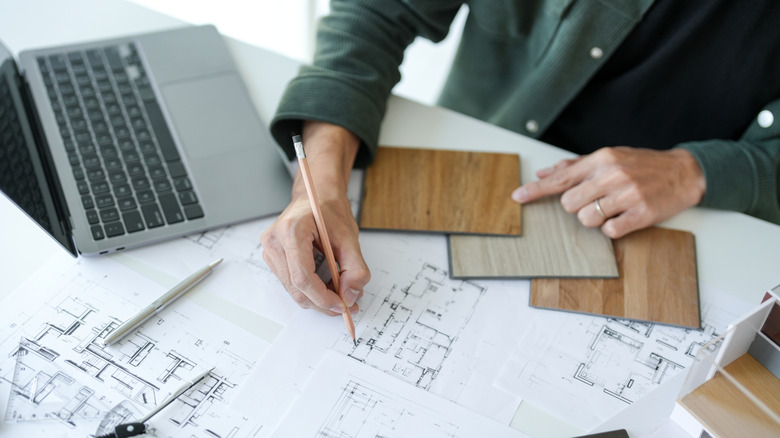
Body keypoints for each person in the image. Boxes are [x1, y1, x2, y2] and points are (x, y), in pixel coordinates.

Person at [260, 0, 780, 316]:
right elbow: (372, 19)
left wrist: (697, 171)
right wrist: (319, 191)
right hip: (463, 168)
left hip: (693, 226)